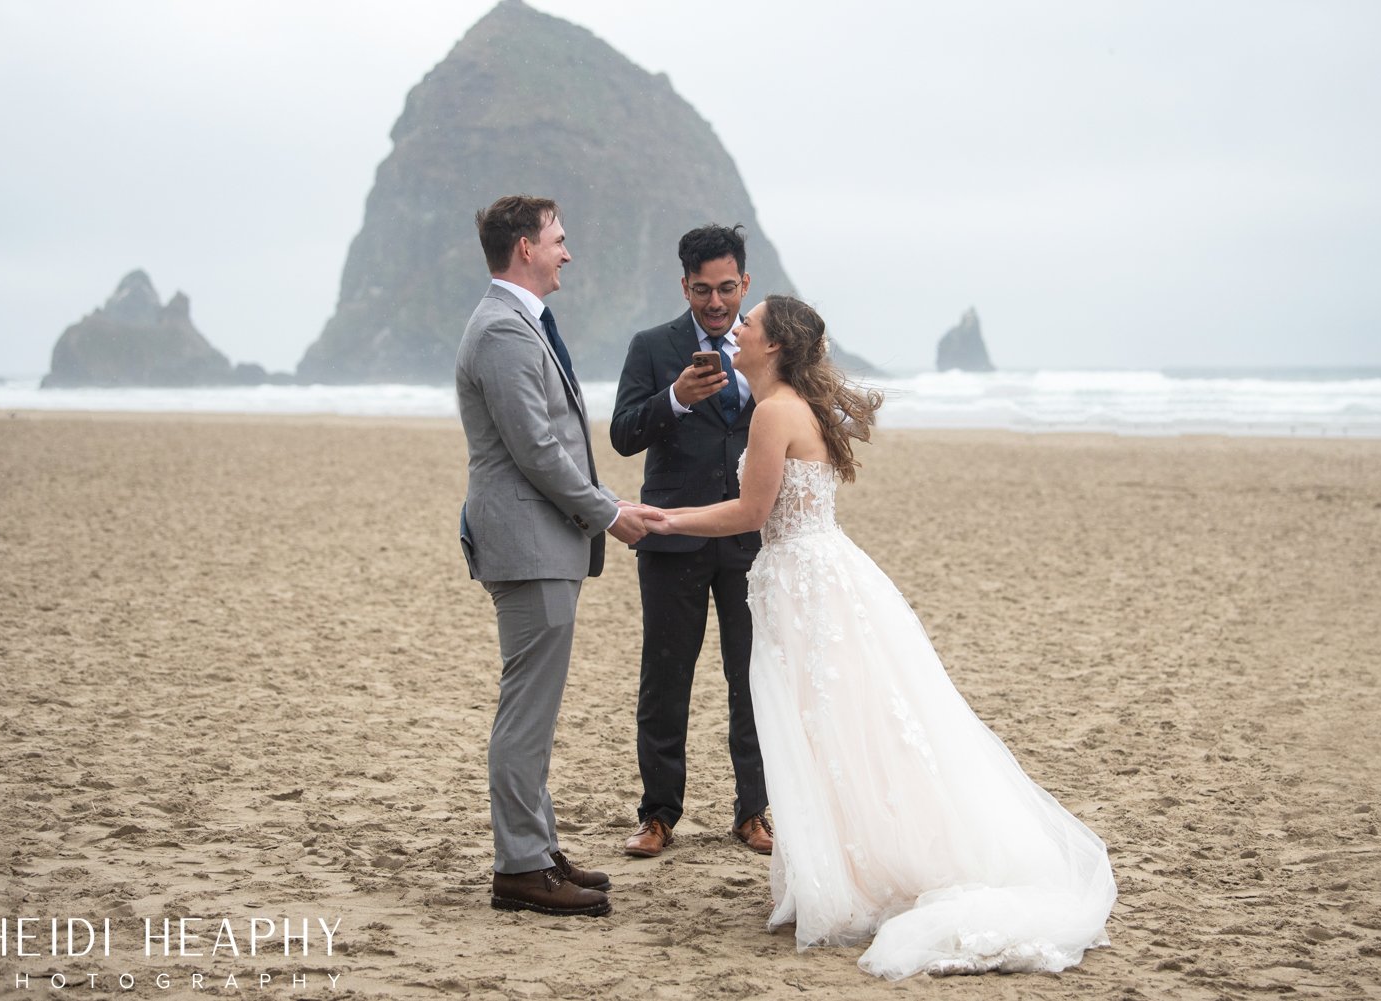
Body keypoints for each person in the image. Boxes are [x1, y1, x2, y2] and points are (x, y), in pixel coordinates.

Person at [647, 295, 1117, 978]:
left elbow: (751, 511)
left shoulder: (775, 410)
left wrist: (665, 520)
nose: (736, 327)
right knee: (838, 726)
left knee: (826, 727)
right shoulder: (791, 404)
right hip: (816, 577)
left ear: (773, 345)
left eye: (749, 321)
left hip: (805, 586)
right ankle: (843, 867)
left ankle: (854, 875)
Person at [455, 194, 658, 918]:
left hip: (540, 541)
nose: (567, 252)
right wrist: (608, 512)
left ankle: (536, 849)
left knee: (532, 709)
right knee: (526, 713)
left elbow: (546, 444)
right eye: (558, 240)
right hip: (529, 544)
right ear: (524, 249)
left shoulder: (515, 322)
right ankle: (519, 866)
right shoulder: (504, 331)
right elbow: (536, 447)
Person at [609, 225, 771, 858]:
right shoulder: (652, 347)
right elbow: (623, 433)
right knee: (666, 680)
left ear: (745, 284)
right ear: (684, 285)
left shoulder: (765, 347)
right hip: (670, 539)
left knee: (753, 679)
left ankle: (753, 811)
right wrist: (673, 399)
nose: (715, 302)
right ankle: (658, 815)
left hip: (751, 542)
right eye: (702, 290)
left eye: (727, 289)